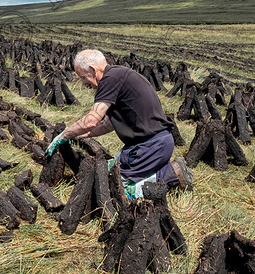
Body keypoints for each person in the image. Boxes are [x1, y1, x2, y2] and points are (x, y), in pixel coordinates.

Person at [46, 49, 192, 198]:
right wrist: (78, 135)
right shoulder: (117, 76)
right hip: (146, 145)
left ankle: (171, 174)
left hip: (150, 147)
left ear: (92, 69)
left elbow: (91, 120)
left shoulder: (110, 79)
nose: (84, 83)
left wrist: (64, 135)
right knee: (106, 174)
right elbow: (108, 124)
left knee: (114, 188)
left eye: (83, 77)